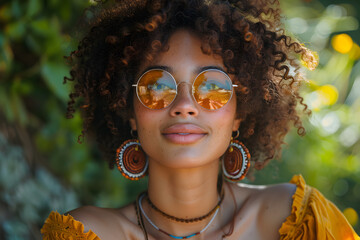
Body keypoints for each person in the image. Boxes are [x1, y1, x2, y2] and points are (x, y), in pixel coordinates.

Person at [41, 0, 360, 239]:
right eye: (157, 86)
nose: (184, 106)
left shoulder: (296, 220)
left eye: (211, 86)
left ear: (239, 114)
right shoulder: (87, 233)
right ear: (131, 113)